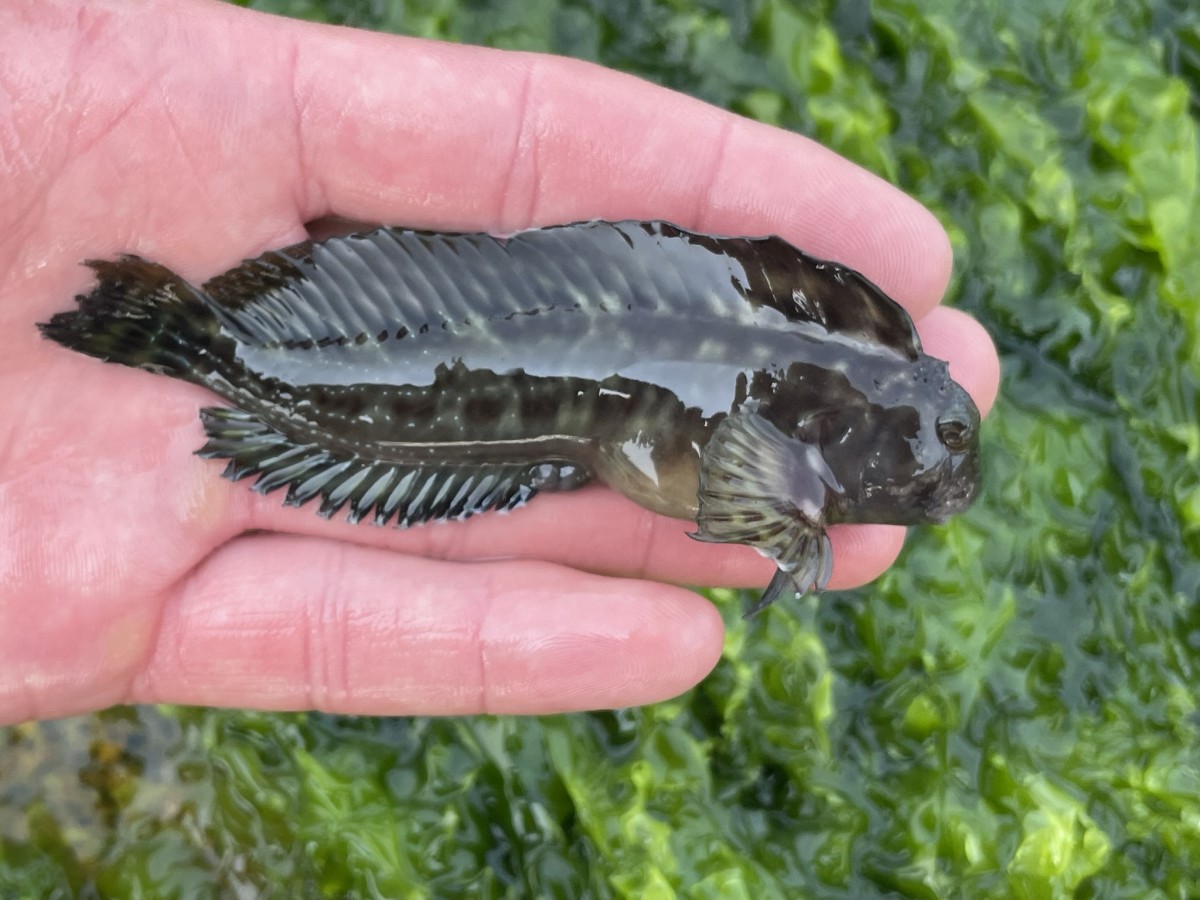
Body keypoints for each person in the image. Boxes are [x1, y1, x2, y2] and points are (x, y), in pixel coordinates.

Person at [0, 0, 999, 725]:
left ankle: (200, 346)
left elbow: (744, 465)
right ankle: (193, 342)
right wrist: (795, 531)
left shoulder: (828, 364)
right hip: (395, 372)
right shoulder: (804, 435)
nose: (936, 477)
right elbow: (744, 474)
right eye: (921, 464)